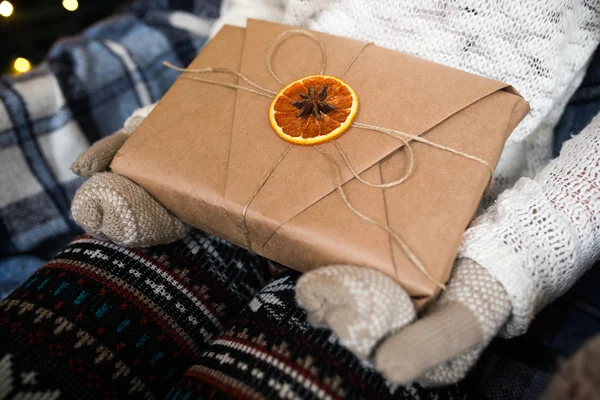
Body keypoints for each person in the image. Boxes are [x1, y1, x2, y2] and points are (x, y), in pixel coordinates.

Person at [0, 0, 599, 398]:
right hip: (257, 119)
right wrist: (173, 123)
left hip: (430, 202)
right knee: (68, 327)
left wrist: (504, 267)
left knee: (312, 364)